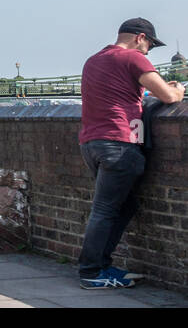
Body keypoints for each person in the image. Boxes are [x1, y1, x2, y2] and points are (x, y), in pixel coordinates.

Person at [77, 18, 183, 289]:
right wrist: (178, 89)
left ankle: (102, 266)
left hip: (91, 144)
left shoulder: (93, 60)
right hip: (119, 144)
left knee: (124, 207)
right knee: (104, 211)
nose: (149, 51)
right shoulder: (134, 59)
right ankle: (91, 271)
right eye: (150, 44)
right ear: (140, 37)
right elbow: (169, 98)